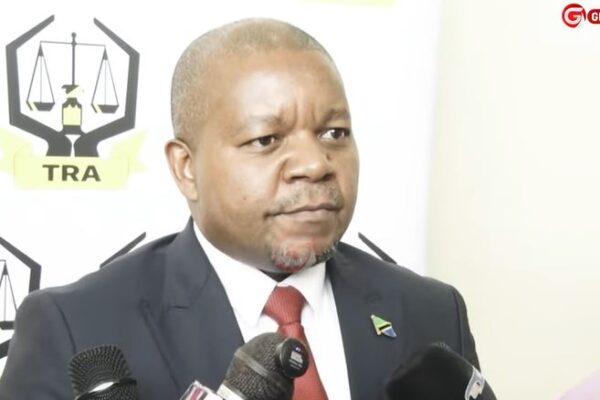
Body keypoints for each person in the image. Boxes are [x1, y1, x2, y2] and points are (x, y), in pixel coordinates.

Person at [0, 18, 478, 400]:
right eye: (266, 139)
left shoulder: (432, 313)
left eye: (334, 133)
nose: (315, 164)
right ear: (186, 168)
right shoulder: (77, 329)